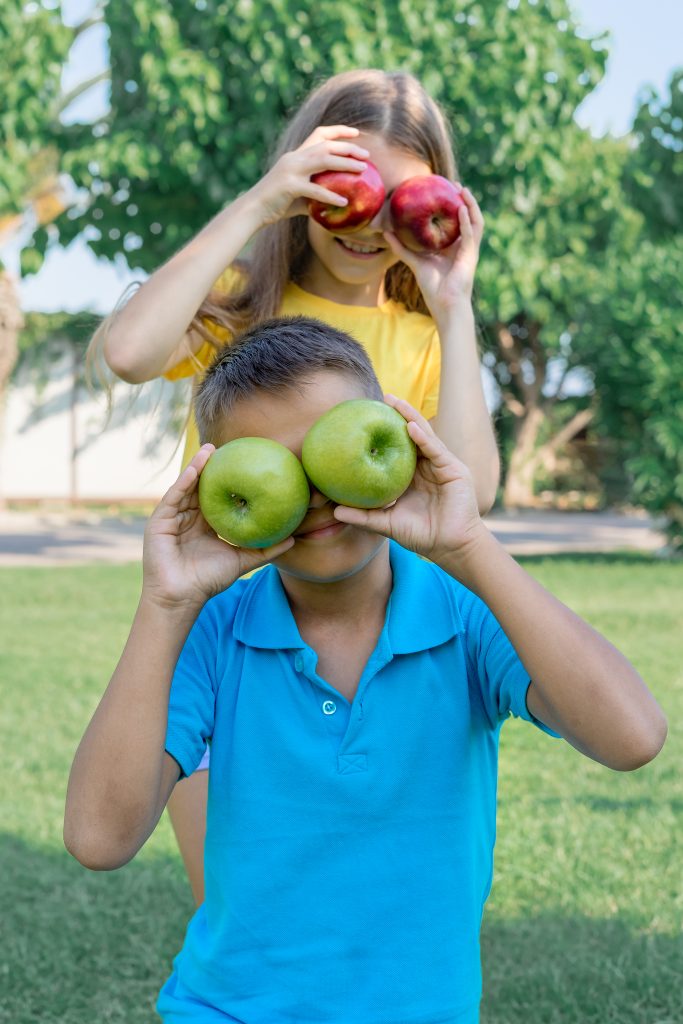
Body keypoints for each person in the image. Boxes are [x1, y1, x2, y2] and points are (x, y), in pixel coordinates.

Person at [65, 317, 666, 1024]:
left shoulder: (464, 615)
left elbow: (631, 737)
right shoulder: (211, 633)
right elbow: (100, 839)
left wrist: (469, 545)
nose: (316, 493)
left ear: (397, 437)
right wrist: (165, 604)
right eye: (278, 468)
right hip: (226, 1010)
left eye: (329, 451)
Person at [92, 68, 500, 901]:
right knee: (237, 899)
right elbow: (130, 352)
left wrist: (453, 306)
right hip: (221, 643)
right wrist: (256, 203)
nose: (366, 222)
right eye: (341, 191)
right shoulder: (241, 304)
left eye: (398, 201)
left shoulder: (422, 336)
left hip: (361, 655)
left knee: (350, 894)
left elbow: (476, 491)